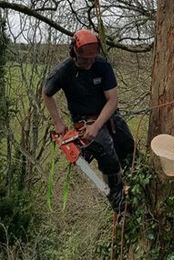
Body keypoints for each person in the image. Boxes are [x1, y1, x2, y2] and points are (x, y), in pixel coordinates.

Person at [42, 29, 134, 214]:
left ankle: (135, 181)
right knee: (107, 152)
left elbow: (113, 100)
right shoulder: (64, 71)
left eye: (92, 59)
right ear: (74, 53)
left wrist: (98, 125)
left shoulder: (102, 66)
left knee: (127, 144)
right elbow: (47, 93)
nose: (89, 63)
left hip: (107, 115)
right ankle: (117, 200)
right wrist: (58, 123)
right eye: (85, 60)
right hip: (83, 121)